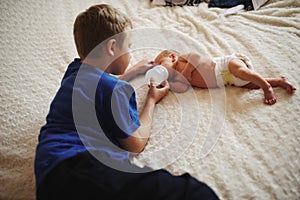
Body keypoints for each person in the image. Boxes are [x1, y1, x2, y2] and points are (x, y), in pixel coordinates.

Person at [34, 4, 220, 200]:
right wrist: (151, 100)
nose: (131, 55)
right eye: (129, 47)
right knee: (195, 193)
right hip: (81, 168)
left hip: (49, 170)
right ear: (112, 47)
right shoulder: (116, 90)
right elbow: (135, 143)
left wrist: (130, 73)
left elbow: (97, 84)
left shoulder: (73, 72)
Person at [154, 50, 296, 105]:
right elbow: (183, 88)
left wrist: (187, 71)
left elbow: (197, 56)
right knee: (249, 84)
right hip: (228, 81)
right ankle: (278, 81)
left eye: (160, 63)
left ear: (172, 57)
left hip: (226, 65)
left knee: (243, 72)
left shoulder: (181, 60)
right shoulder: (176, 80)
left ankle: (267, 87)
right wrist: (167, 85)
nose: (158, 68)